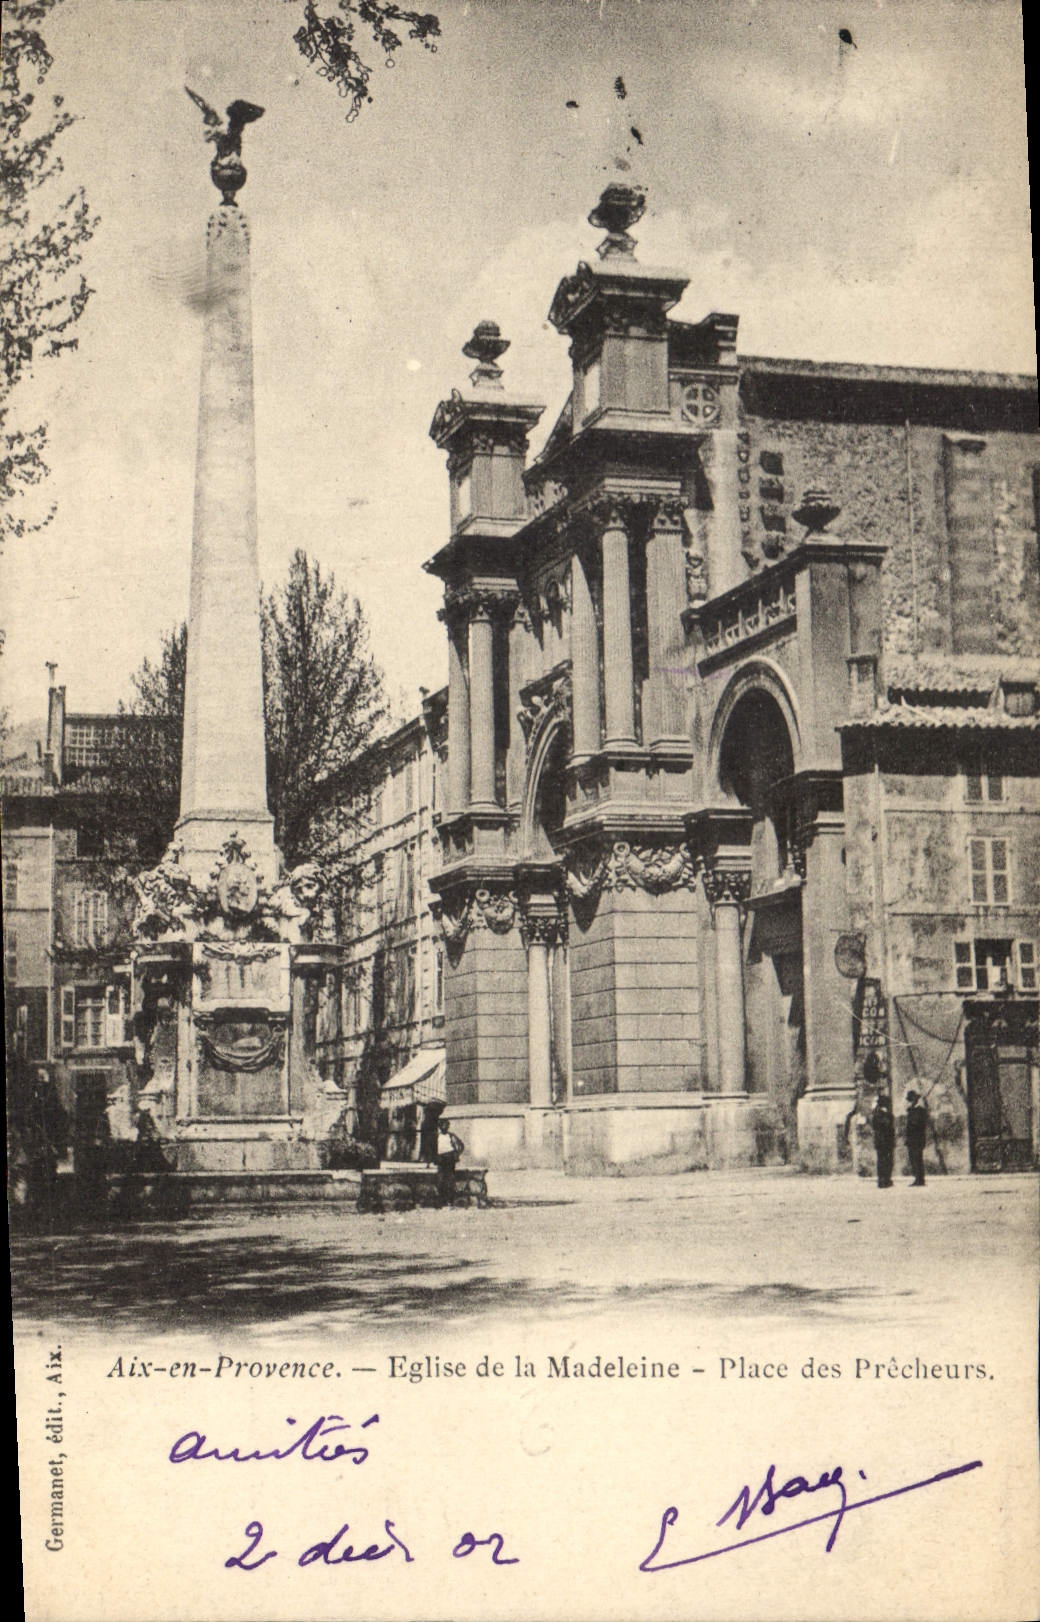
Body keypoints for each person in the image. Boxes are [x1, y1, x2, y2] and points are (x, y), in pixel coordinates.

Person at [435, 1117, 464, 1206]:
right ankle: (441, 1200)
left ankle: (450, 1200)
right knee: (441, 1180)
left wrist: (457, 1154)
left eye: (447, 1125)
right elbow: (432, 1148)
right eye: (444, 1125)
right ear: (440, 1127)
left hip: (450, 1159)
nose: (446, 1127)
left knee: (450, 1180)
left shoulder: (451, 1136)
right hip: (441, 1159)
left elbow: (461, 1145)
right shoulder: (436, 1136)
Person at [905, 1088, 928, 1186]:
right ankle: (917, 1178)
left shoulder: (919, 1110)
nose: (910, 1102)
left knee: (917, 1159)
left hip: (917, 1139)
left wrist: (911, 1111)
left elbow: (916, 1124)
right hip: (912, 1139)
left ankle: (919, 1179)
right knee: (913, 1159)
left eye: (911, 1100)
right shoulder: (913, 1110)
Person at [871, 1094, 895, 1188]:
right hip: (884, 1141)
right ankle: (883, 1180)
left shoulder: (877, 1114)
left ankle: (884, 1179)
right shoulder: (881, 1114)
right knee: (885, 1161)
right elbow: (887, 1125)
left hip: (882, 1142)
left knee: (883, 1161)